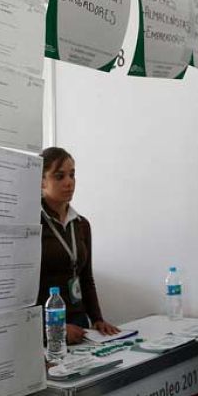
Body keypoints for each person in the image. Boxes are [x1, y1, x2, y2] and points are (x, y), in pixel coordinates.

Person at [39, 146, 119, 343]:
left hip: (78, 321)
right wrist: (53, 328)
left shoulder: (81, 224)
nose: (69, 183)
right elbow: (22, 291)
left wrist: (97, 318)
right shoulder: (32, 224)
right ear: (41, 181)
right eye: (59, 176)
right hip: (47, 325)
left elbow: (85, 277)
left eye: (72, 175)